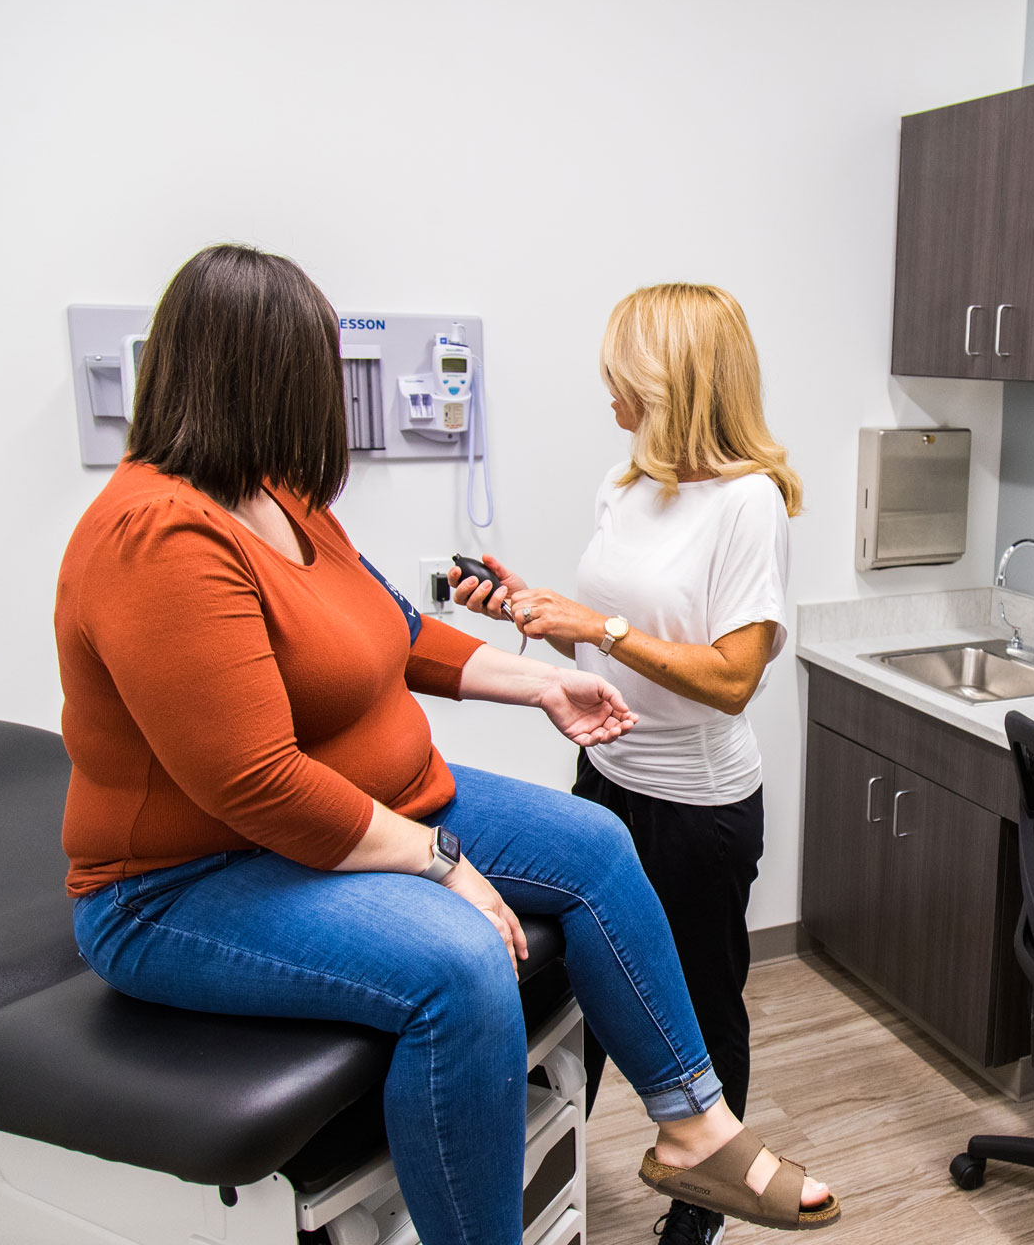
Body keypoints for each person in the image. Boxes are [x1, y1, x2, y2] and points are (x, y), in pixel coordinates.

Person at [55, 246, 837, 1245]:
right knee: (462, 959)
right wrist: (439, 861)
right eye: (319, 371)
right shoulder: (156, 536)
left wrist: (544, 678)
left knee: (597, 846)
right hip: (185, 880)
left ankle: (694, 1125)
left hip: (355, 805)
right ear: (264, 376)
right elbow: (253, 784)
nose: (332, 400)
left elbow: (401, 631)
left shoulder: (281, 499)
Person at [451, 282, 799, 1245]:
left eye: (623, 380)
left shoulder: (748, 506)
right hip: (607, 783)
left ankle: (704, 1209)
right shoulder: (627, 484)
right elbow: (609, 650)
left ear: (673, 382)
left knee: (694, 1005)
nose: (610, 397)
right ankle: (541, 1188)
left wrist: (596, 622)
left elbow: (731, 678)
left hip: (698, 807)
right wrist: (539, 613)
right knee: (583, 998)